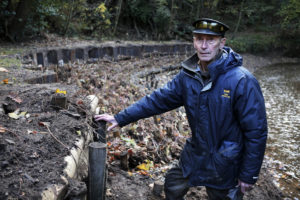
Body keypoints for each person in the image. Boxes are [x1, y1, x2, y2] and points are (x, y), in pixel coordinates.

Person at [95, 18, 268, 200]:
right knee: (173, 183)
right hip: (196, 152)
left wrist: (249, 174)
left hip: (226, 160)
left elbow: (256, 131)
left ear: (221, 43)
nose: (204, 46)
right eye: (199, 39)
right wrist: (120, 118)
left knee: (221, 195)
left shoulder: (242, 81)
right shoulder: (188, 76)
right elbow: (157, 100)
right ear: (193, 41)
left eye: (210, 40)